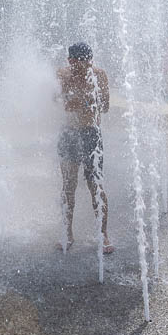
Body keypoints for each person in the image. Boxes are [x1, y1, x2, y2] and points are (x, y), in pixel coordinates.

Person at [56, 42, 113, 254]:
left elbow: (105, 107)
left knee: (96, 186)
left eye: (88, 62)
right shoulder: (62, 74)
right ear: (71, 60)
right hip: (68, 133)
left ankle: (103, 233)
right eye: (79, 62)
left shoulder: (99, 75)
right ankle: (67, 233)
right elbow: (53, 100)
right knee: (68, 185)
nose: (85, 66)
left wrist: (85, 100)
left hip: (91, 134)